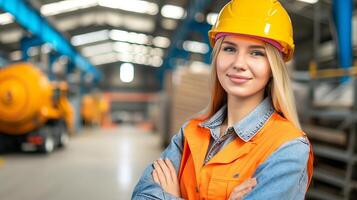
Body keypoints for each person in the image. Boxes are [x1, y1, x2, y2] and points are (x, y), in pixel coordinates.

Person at [132, 0, 314, 199]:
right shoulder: (190, 133)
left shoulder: (288, 147)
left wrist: (170, 196)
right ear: (217, 55)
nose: (239, 63)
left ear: (273, 67)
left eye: (256, 53)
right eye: (229, 49)